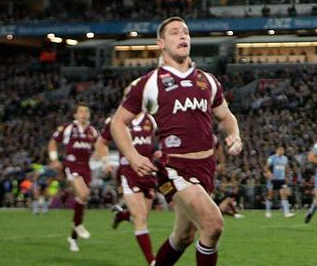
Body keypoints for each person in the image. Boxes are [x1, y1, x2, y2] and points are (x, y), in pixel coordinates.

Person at [111, 17, 243, 266]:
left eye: (185, 32)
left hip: (206, 169)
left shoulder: (208, 80)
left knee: (183, 236)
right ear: (161, 43)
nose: (183, 36)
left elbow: (226, 116)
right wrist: (133, 156)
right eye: (174, 32)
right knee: (213, 226)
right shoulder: (149, 83)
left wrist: (234, 134)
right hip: (174, 169)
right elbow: (118, 123)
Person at [96, 107, 159, 264]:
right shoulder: (115, 121)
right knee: (140, 218)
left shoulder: (150, 120)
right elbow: (101, 143)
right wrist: (107, 162)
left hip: (149, 172)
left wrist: (160, 151)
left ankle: (120, 215)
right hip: (129, 172)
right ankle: (151, 261)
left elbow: (161, 139)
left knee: (143, 216)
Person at [48, 104, 99, 252]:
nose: (84, 114)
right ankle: (77, 225)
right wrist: (54, 159)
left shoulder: (93, 131)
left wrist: (102, 158)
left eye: (86, 111)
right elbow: (53, 143)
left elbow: (99, 147)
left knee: (82, 199)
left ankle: (73, 237)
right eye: (81, 111)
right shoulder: (68, 128)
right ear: (75, 115)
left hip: (86, 167)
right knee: (83, 194)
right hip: (71, 164)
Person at [265, 146, 293, 218]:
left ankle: (286, 213)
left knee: (284, 194)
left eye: (283, 150)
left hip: (281, 179)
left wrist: (287, 176)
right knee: (270, 195)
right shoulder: (271, 158)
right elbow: (266, 168)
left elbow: (286, 168)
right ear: (277, 150)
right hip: (273, 179)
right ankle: (268, 212)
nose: (282, 151)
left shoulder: (285, 158)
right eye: (280, 150)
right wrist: (269, 174)